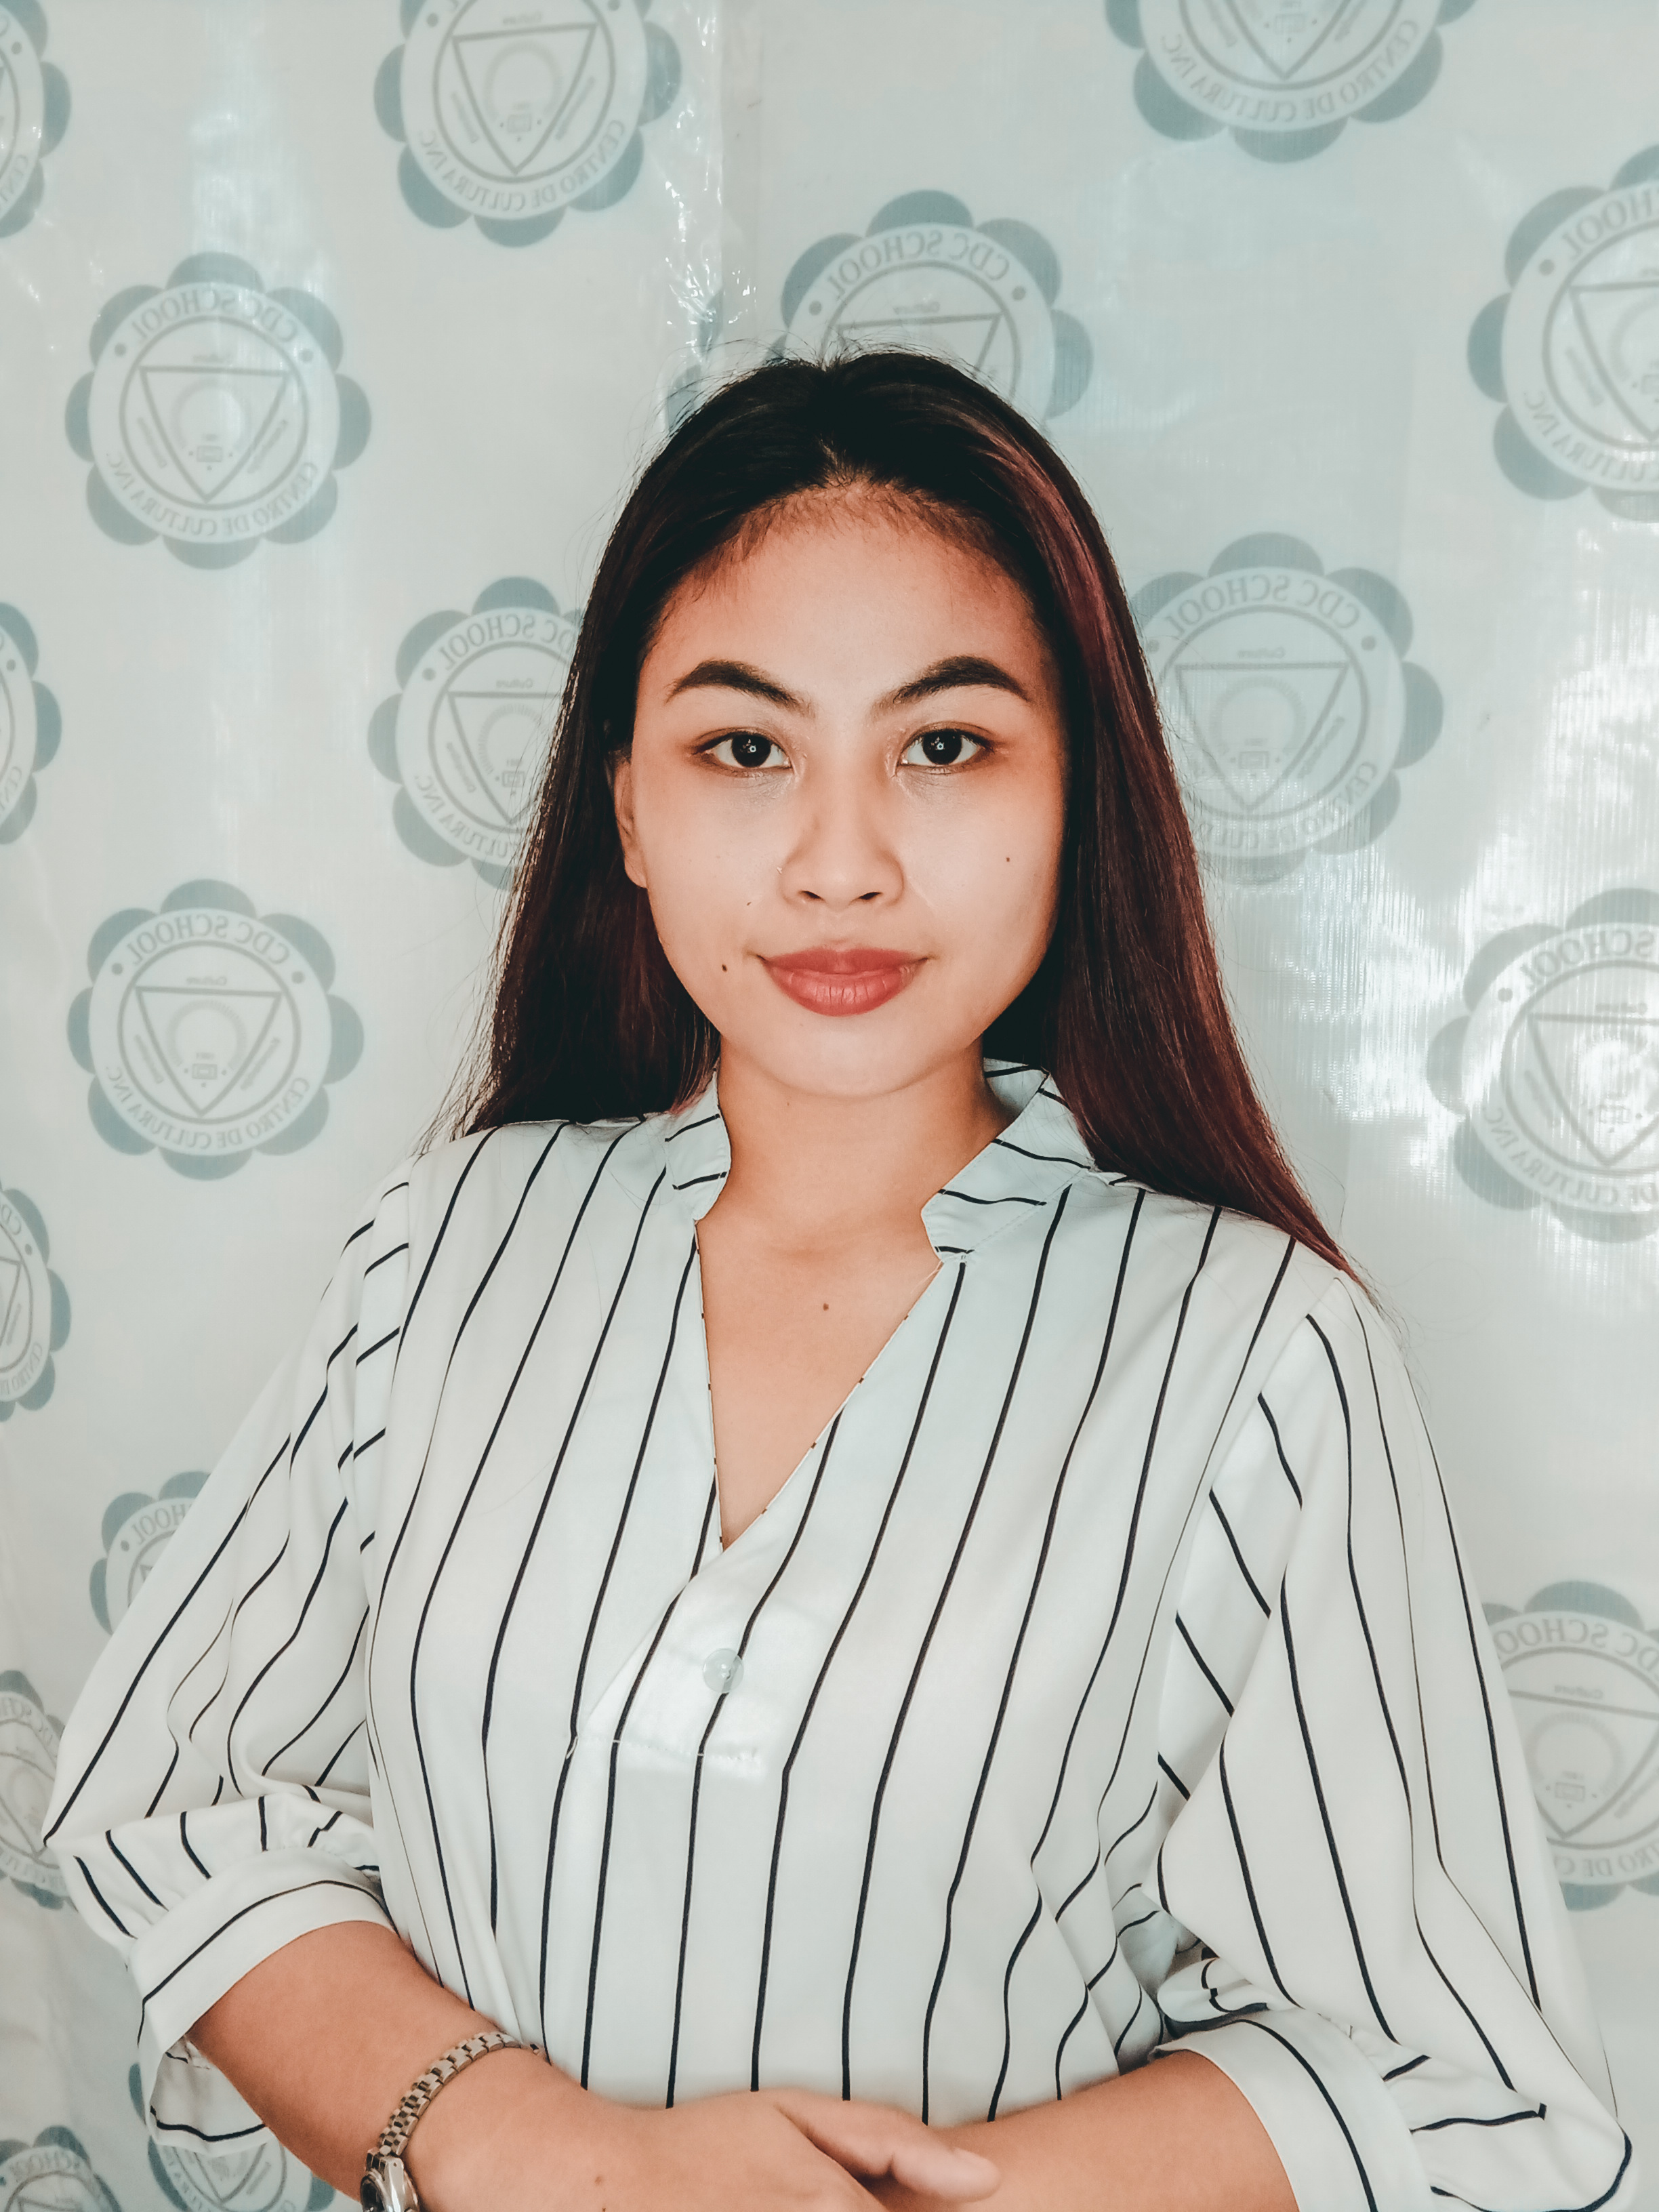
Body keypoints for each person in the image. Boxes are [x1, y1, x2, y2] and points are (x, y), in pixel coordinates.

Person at [45, 352, 1632, 2212]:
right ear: (626, 809)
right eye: (746, 749)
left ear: (1079, 796)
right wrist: (534, 2151)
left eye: (943, 746)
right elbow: (181, 1804)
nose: (841, 865)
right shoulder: (450, 1246)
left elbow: (1459, 2091)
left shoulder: (1255, 1352)